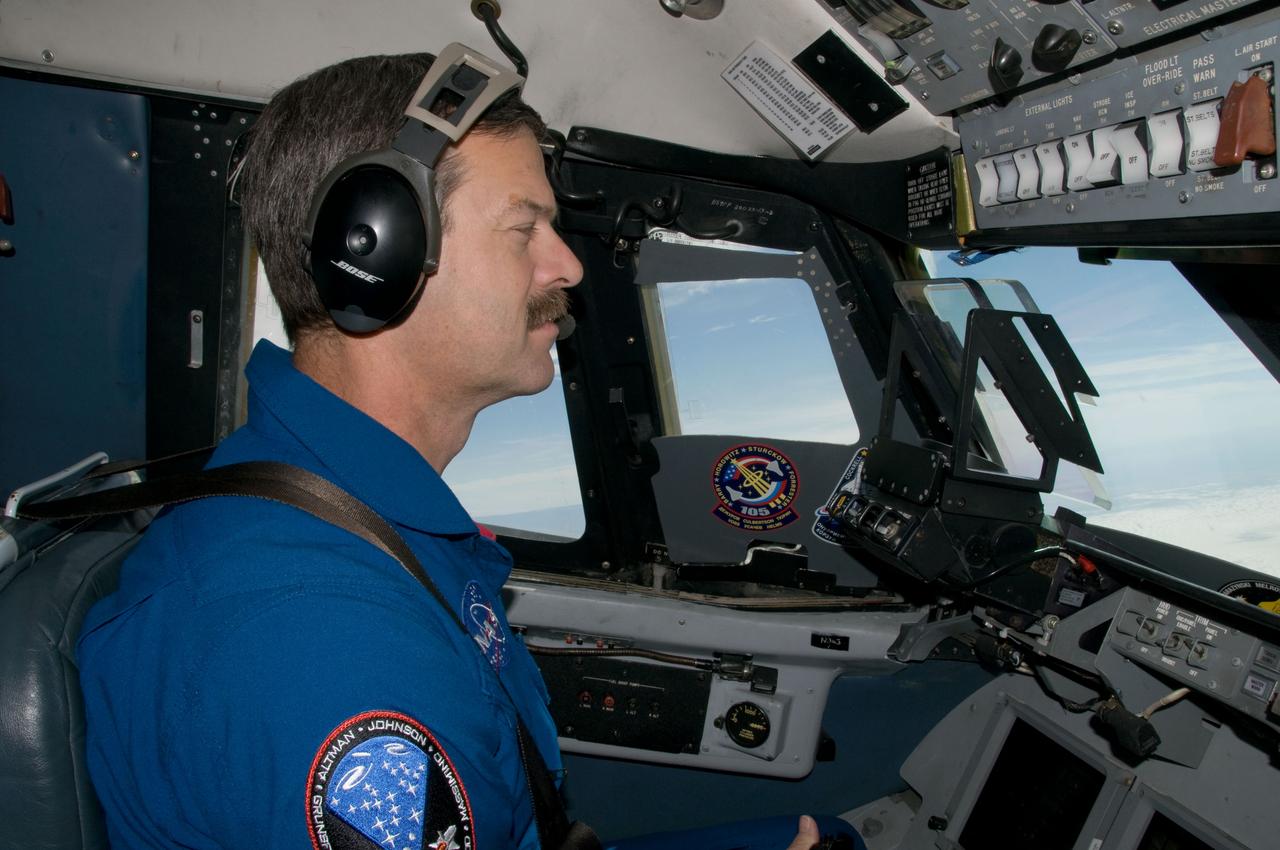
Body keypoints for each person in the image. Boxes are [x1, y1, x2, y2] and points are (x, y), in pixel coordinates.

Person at [76, 50, 824, 850]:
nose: (565, 264)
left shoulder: (350, 515)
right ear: (379, 255)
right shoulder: (326, 642)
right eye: (524, 227)